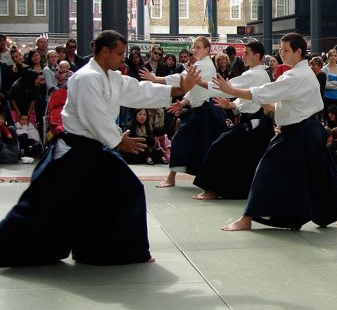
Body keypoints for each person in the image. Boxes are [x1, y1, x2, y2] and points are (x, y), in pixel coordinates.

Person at [0, 30, 199, 267]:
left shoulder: (112, 77)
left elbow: (140, 91)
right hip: (73, 150)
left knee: (126, 189)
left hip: (96, 149)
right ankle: (8, 249)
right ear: (104, 51)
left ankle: (110, 250)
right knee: (45, 201)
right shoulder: (85, 77)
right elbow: (94, 116)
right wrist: (118, 140)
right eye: (119, 53)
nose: (122, 58)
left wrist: (177, 89)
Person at [212, 32, 337, 231]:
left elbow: (262, 92)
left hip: (298, 133)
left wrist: (232, 91)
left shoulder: (295, 75)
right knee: (326, 175)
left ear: (298, 51)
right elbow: (298, 104)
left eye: (286, 50)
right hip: (310, 130)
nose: (281, 54)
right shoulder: (306, 73)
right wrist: (273, 107)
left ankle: (247, 218)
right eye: (280, 50)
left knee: (265, 169)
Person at [191, 40, 275, 200]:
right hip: (254, 123)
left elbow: (227, 87)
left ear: (257, 56)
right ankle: (236, 190)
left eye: (247, 53)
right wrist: (231, 104)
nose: (243, 56)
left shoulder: (255, 74)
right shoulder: (257, 74)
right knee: (244, 158)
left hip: (253, 123)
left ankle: (211, 190)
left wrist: (198, 82)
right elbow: (246, 98)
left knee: (219, 145)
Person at [142, 37, 226, 188]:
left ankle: (207, 183)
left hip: (208, 112)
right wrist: (183, 102)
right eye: (194, 47)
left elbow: (182, 79)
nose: (195, 50)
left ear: (207, 49)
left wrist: (156, 78)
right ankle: (175, 177)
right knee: (187, 142)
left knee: (200, 145)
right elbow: (193, 88)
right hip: (200, 111)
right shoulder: (201, 65)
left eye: (198, 47)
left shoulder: (204, 65)